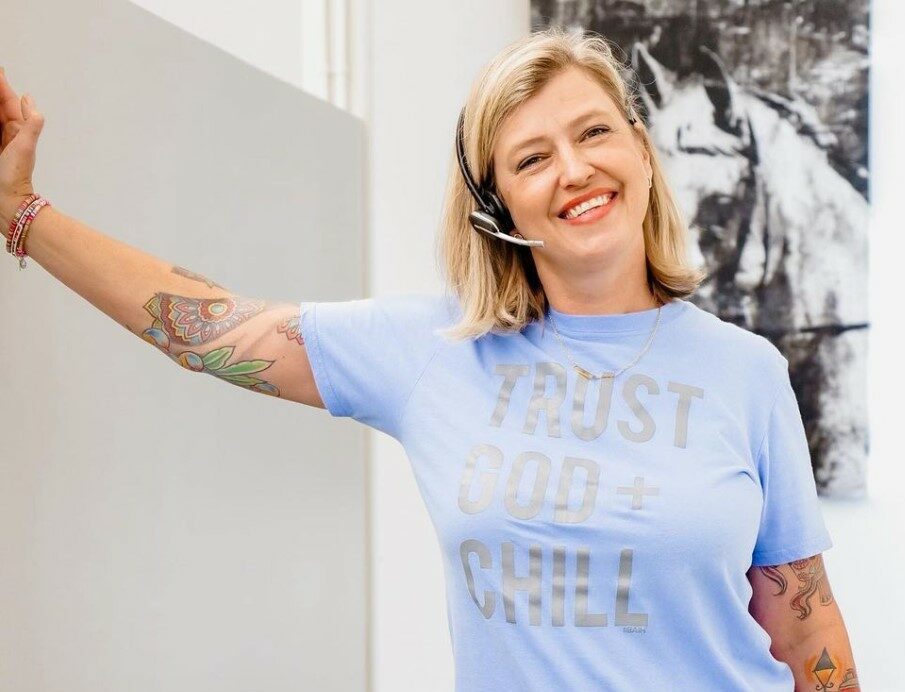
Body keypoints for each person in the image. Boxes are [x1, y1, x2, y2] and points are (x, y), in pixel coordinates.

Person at [0, 27, 860, 691]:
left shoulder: (744, 372)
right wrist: (22, 212)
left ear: (638, 148)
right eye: (531, 158)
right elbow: (211, 330)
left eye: (594, 132)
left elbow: (805, 626)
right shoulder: (434, 350)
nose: (573, 170)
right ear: (497, 206)